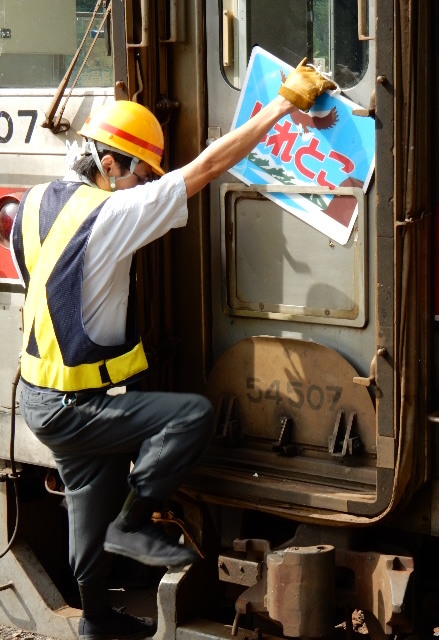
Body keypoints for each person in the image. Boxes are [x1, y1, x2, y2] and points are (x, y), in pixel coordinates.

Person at [10, 58, 336, 640]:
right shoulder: (113, 212)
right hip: (76, 405)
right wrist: (283, 105)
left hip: (40, 398)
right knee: (189, 417)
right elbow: (208, 166)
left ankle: (96, 621)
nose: (144, 186)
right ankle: (132, 523)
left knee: (88, 499)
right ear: (109, 164)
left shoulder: (35, 203)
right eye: (140, 174)